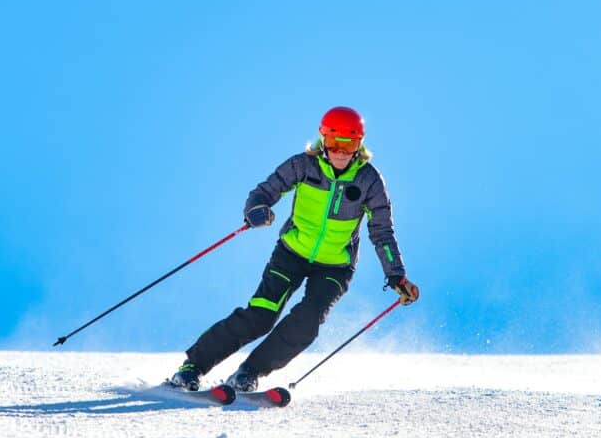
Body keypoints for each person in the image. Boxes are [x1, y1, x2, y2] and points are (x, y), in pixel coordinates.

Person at [166, 106, 419, 392]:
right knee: (261, 315)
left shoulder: (369, 180)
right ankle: (192, 367)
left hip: (335, 266)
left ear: (359, 145)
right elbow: (264, 192)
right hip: (291, 254)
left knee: (307, 322)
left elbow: (382, 231)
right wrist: (257, 210)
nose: (340, 151)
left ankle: (249, 372)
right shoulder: (303, 165)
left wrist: (396, 275)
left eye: (349, 144)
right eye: (334, 142)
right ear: (322, 139)